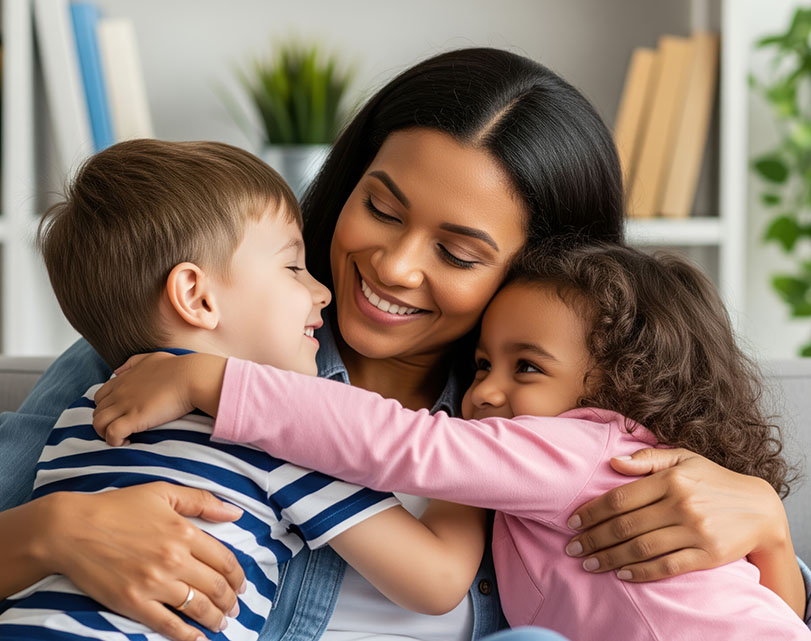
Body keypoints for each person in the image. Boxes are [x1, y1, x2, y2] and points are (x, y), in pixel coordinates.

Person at [0, 47, 808, 641]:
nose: (392, 264)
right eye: (381, 207)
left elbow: (718, 615)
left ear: (540, 271)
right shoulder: (175, 352)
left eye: (457, 252)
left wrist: (769, 531)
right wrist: (51, 532)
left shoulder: (547, 420)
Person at [93, 243, 811, 640]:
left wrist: (213, 383)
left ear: (620, 387)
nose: (484, 393)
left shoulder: (582, 448)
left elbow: (404, 445)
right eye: (481, 365)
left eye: (526, 366)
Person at [0, 139, 498, 640]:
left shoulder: (85, 409)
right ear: (197, 297)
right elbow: (436, 581)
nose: (320, 290)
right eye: (293, 267)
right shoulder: (278, 427)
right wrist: (481, 453)